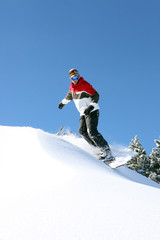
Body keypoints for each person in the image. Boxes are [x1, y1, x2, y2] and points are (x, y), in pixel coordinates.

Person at [58, 68, 115, 161]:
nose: (75, 79)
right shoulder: (71, 88)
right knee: (82, 131)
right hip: (83, 113)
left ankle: (107, 152)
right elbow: (68, 97)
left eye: (76, 77)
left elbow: (96, 95)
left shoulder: (85, 85)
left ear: (79, 76)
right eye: (73, 78)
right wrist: (62, 103)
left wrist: (91, 106)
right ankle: (97, 149)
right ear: (70, 79)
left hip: (92, 110)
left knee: (92, 131)